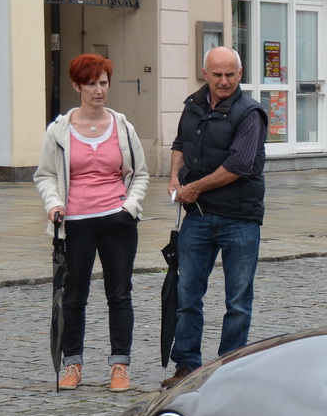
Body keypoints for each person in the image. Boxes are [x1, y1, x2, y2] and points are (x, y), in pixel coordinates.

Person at [34, 54, 150, 393]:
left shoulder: (123, 128)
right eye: (91, 84)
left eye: (103, 83)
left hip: (117, 223)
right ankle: (73, 364)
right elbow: (45, 176)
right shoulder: (59, 131)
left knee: (120, 294)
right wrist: (54, 204)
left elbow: (139, 174)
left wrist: (129, 207)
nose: (99, 91)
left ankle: (120, 366)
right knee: (73, 296)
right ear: (77, 86)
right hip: (75, 224)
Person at [164, 46, 270, 388]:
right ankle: (187, 366)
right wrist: (174, 177)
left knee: (238, 300)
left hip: (239, 218)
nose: (223, 81)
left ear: (240, 75)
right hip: (197, 216)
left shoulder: (250, 112)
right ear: (205, 73)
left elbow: (240, 165)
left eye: (230, 74)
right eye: (217, 74)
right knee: (187, 294)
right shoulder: (193, 104)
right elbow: (180, 143)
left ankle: (228, 368)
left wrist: (194, 188)